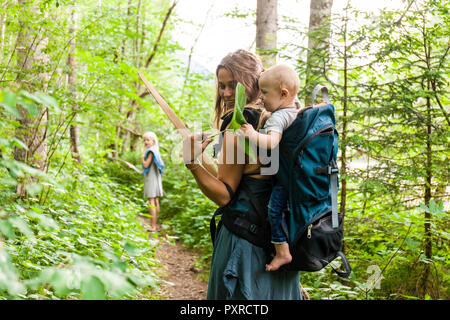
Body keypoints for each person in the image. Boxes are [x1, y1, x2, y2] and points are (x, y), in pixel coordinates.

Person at [182, 49, 302, 300]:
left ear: (253, 81)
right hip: (281, 245)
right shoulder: (280, 118)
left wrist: (192, 163)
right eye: (221, 86)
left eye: (232, 85)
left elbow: (225, 194)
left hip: (245, 246)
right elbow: (249, 179)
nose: (225, 93)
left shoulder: (240, 123)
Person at [238, 64, 300, 271]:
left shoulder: (279, 117)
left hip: (285, 179)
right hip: (299, 176)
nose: (261, 97)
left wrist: (252, 135)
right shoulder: (297, 110)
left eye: (264, 92)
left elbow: (271, 142)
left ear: (283, 94)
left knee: (274, 211)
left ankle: (283, 252)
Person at [142, 131, 164, 232]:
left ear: (153, 140)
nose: (146, 142)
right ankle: (155, 224)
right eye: (144, 140)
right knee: (155, 200)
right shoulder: (156, 150)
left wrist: (142, 158)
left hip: (151, 179)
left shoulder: (150, 151)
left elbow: (146, 165)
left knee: (151, 201)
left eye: (148, 140)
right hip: (156, 178)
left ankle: (153, 226)